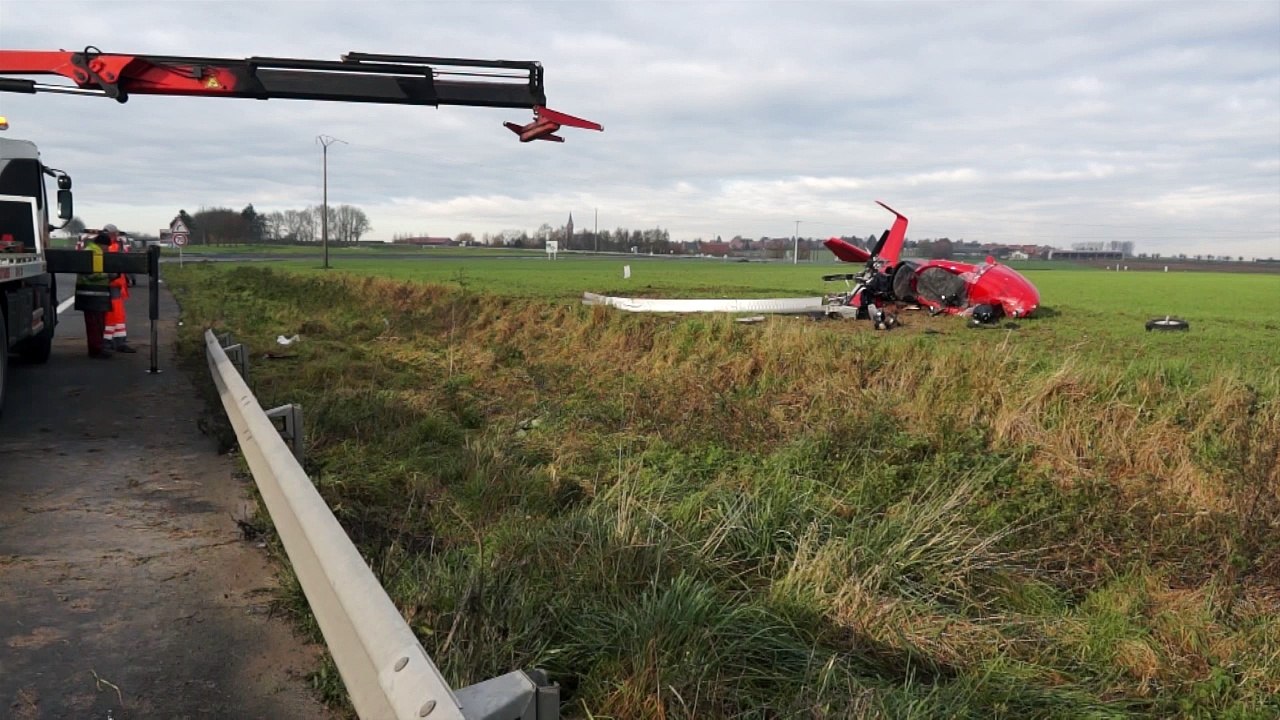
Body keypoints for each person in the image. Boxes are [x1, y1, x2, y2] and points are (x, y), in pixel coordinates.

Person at [74, 231, 117, 359]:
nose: (107, 250)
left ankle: (96, 348)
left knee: (95, 324)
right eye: (106, 247)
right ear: (101, 244)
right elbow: (93, 274)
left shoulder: (89, 250)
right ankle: (96, 350)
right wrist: (109, 275)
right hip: (93, 294)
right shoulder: (95, 252)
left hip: (90, 294)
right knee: (95, 325)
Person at [102, 224, 137, 353]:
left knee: (118, 316)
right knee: (113, 316)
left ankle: (117, 341)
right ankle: (110, 342)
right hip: (112, 286)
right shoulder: (109, 247)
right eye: (115, 234)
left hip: (116, 286)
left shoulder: (114, 246)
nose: (117, 236)